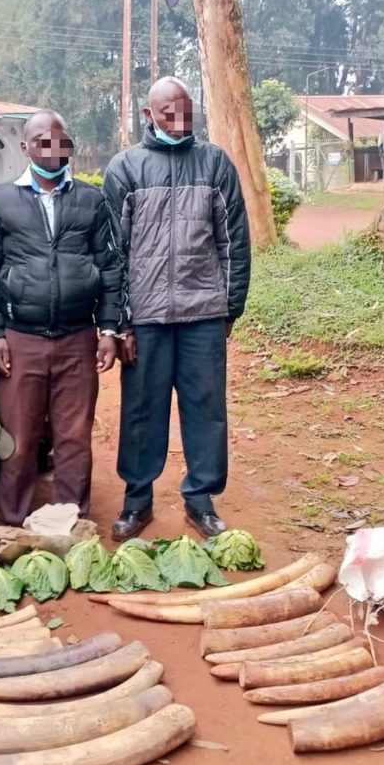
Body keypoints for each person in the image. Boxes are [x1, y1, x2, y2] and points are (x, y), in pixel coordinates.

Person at [103, 77, 251, 542]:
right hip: (145, 318)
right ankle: (137, 500)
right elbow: (113, 252)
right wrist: (120, 321)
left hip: (203, 313)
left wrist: (230, 307)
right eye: (169, 112)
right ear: (149, 116)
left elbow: (235, 244)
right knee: (142, 410)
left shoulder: (215, 164)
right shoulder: (125, 168)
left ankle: (201, 500)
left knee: (206, 408)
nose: (179, 120)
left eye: (186, 111)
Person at [0, 110, 123, 526]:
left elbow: (111, 268)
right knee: (20, 440)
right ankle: (15, 524)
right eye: (41, 139)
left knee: (74, 438)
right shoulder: (0, 200)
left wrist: (109, 328)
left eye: (59, 139)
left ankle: (69, 523)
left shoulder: (92, 200)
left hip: (78, 338)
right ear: (25, 147)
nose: (52, 146)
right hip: (20, 339)